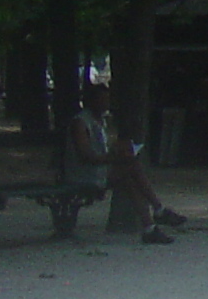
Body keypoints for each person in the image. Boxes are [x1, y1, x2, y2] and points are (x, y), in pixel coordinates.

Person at [71, 84, 186, 244]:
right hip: (84, 175)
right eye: (102, 100)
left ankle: (150, 227)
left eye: (107, 99)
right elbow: (85, 156)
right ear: (91, 101)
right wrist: (113, 158)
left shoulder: (101, 121)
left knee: (129, 179)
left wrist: (118, 152)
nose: (106, 104)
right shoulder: (81, 123)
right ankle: (158, 211)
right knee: (131, 167)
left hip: (99, 171)